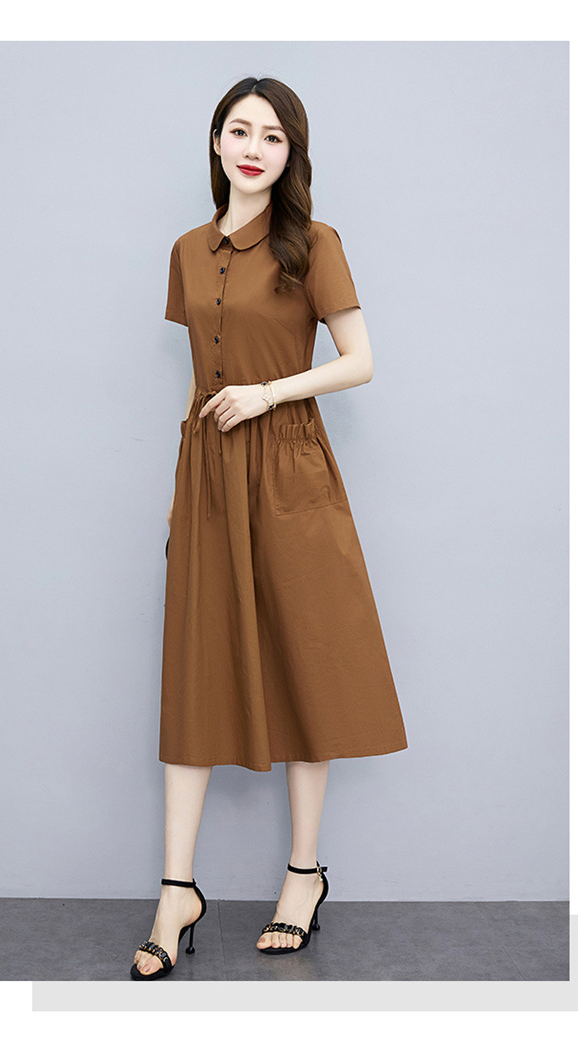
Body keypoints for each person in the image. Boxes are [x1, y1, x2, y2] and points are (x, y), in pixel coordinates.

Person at [131, 77, 407, 980]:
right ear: (216, 142)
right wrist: (182, 491)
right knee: (195, 671)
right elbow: (196, 371)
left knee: (306, 663)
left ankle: (303, 875)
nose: (254, 148)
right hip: (208, 476)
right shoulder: (186, 249)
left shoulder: (313, 244)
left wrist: (267, 393)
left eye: (274, 136)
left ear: (293, 154)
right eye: (240, 131)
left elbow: (360, 361)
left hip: (289, 469)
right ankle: (176, 889)